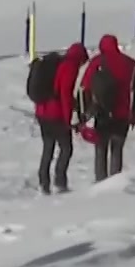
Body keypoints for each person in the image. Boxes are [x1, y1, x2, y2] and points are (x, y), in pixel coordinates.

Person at [79, 34, 135, 182]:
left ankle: (100, 183)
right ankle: (115, 184)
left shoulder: (97, 62)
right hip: (122, 115)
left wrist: (86, 113)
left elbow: (85, 88)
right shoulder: (130, 63)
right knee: (117, 151)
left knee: (100, 150)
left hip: (101, 114)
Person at [34, 41, 88, 194]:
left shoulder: (57, 63)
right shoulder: (70, 67)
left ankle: (44, 183)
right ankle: (60, 181)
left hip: (42, 111)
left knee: (48, 148)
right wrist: (67, 119)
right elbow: (64, 93)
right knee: (66, 148)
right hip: (56, 114)